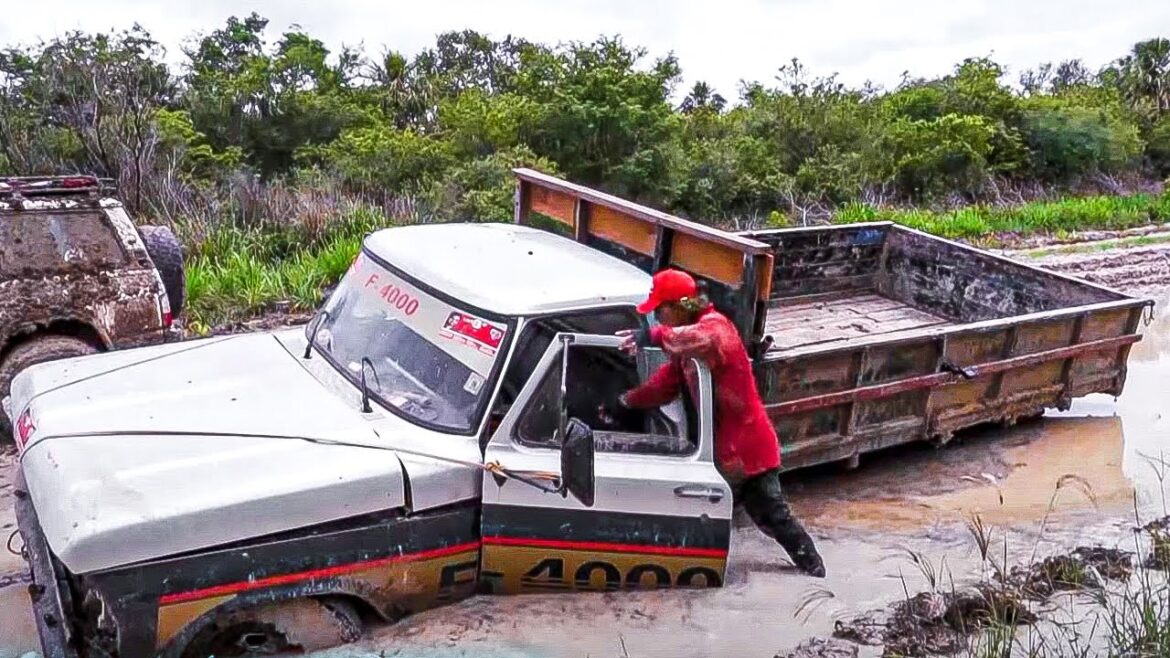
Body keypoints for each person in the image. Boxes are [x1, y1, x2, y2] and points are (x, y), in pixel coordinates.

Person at [601, 268, 826, 578]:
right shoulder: (687, 351)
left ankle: (813, 572)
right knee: (732, 515)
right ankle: (687, 570)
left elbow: (703, 338)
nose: (657, 318)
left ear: (680, 306)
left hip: (747, 449)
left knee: (770, 516)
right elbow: (663, 387)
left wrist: (652, 336)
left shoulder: (716, 329)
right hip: (723, 450)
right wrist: (625, 402)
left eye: (659, 311)